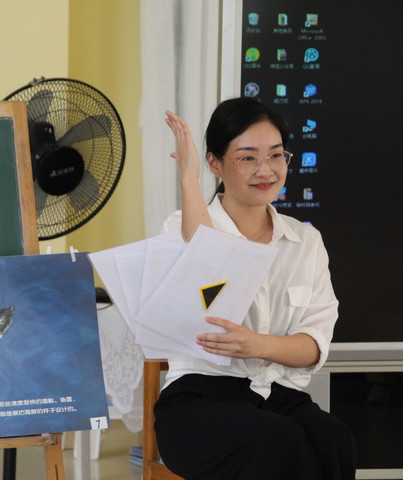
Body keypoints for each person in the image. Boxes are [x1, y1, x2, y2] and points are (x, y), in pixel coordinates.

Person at [153, 97, 356, 480]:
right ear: (215, 163)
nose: (266, 170)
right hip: (198, 399)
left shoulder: (305, 241)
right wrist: (189, 181)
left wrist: (256, 344)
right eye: (247, 158)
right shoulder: (180, 227)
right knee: (278, 440)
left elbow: (313, 346)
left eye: (276, 155)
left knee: (334, 439)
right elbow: (204, 274)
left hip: (276, 395)